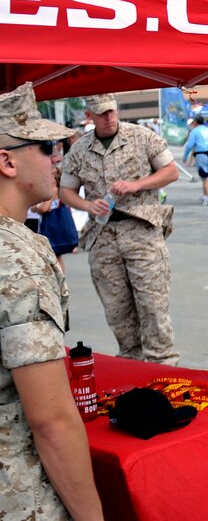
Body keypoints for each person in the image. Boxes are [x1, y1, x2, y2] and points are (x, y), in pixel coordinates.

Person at [0, 83, 104, 519]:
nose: (58, 157)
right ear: (7, 160)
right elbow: (51, 419)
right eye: (46, 147)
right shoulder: (17, 254)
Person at [60, 93, 180, 365]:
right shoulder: (79, 150)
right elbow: (66, 191)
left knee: (153, 305)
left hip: (141, 230)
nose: (109, 117)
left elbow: (171, 172)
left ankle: (163, 363)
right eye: (102, 113)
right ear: (89, 116)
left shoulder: (142, 136)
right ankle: (131, 362)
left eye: (112, 110)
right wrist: (88, 206)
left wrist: (137, 185)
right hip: (103, 236)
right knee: (116, 308)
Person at [182, 115, 208, 206]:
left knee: (204, 177)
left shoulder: (194, 131)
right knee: (207, 177)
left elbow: (189, 145)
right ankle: (205, 195)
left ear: (195, 122)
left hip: (201, 155)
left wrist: (185, 156)